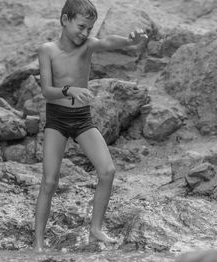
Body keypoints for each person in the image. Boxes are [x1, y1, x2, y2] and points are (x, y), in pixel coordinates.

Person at [34, 0, 148, 252]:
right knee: (50, 181)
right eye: (82, 26)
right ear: (65, 20)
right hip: (57, 120)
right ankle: (39, 242)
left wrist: (131, 40)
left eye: (90, 28)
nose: (85, 33)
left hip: (82, 119)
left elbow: (109, 42)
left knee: (107, 171)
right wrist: (69, 89)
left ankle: (96, 229)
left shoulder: (88, 45)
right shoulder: (47, 50)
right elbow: (46, 91)